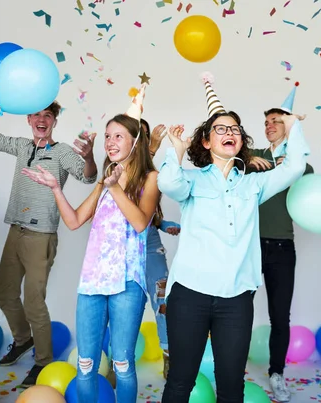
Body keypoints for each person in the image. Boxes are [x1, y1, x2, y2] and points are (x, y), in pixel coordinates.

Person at [158, 73, 310, 402]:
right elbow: (168, 184)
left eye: (235, 130)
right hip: (189, 297)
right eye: (221, 129)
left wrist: (293, 126)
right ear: (207, 141)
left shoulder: (253, 185)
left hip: (236, 300)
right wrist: (176, 150)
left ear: (240, 142)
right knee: (180, 382)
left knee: (231, 387)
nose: (230, 133)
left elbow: (294, 167)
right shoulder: (192, 180)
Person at [22, 83, 161, 403]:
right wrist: (56, 188)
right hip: (93, 281)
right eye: (108, 135)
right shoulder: (105, 180)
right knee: (86, 364)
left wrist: (115, 187)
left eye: (118, 136)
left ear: (135, 141)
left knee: (123, 364)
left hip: (128, 281)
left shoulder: (150, 179)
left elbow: (141, 224)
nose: (111, 142)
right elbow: (73, 221)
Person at [0, 87, 98, 387]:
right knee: (5, 295)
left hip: (41, 235)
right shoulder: (21, 146)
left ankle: (43, 362)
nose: (42, 120)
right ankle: (22, 340)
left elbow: (88, 176)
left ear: (54, 121)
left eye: (48, 115)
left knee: (33, 302)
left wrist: (90, 156)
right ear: (29, 118)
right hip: (14, 231)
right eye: (37, 115)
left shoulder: (63, 152)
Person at [246, 82, 314, 402]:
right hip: (248, 245)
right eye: (266, 122)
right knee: (238, 308)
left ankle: (277, 373)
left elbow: (306, 172)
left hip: (282, 248)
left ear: (288, 125)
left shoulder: (300, 165)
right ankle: (230, 367)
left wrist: (292, 146)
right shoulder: (253, 157)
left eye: (277, 121)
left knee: (279, 316)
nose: (269, 126)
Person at [142, 118, 181, 379]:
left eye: (145, 136)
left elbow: (144, 208)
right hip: (121, 253)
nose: (142, 139)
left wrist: (162, 222)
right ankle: (114, 360)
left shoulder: (151, 171)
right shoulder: (115, 168)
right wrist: (153, 148)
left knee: (164, 304)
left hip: (151, 249)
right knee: (120, 309)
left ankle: (169, 358)